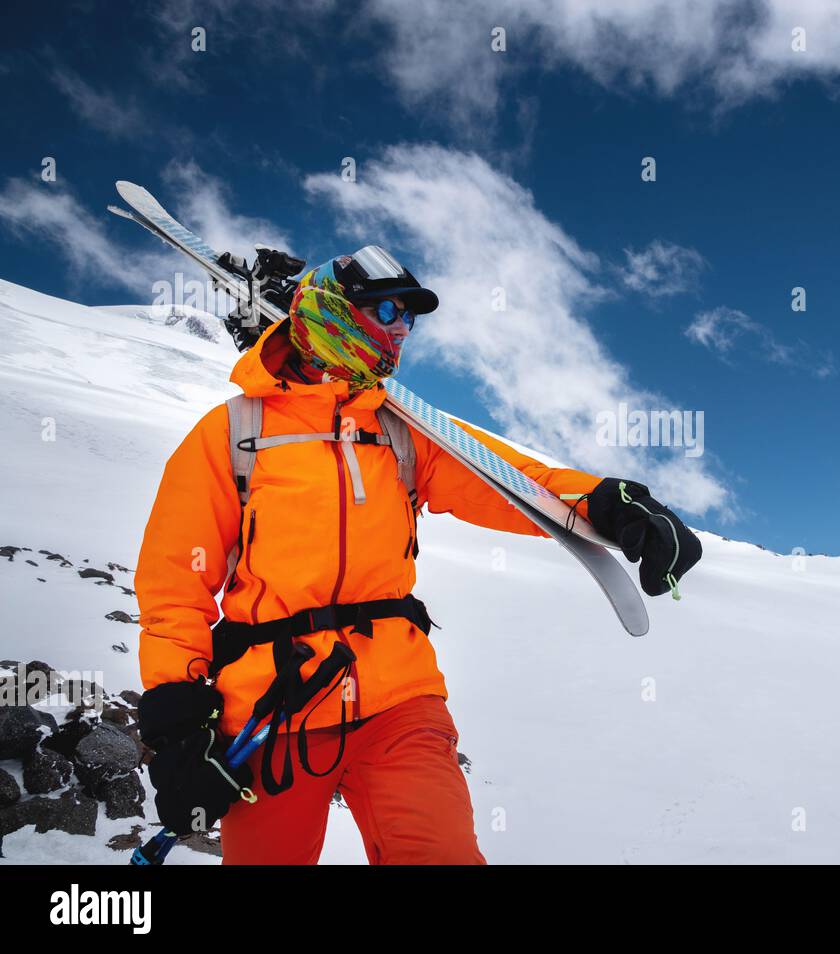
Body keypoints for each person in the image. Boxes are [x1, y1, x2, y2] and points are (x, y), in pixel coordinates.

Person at [134, 246, 701, 864]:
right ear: (333, 311)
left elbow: (509, 481)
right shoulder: (230, 435)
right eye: (385, 310)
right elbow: (174, 586)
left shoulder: (402, 431)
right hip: (272, 708)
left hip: (399, 702)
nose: (402, 328)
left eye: (409, 316)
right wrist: (179, 716)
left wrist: (606, 503)